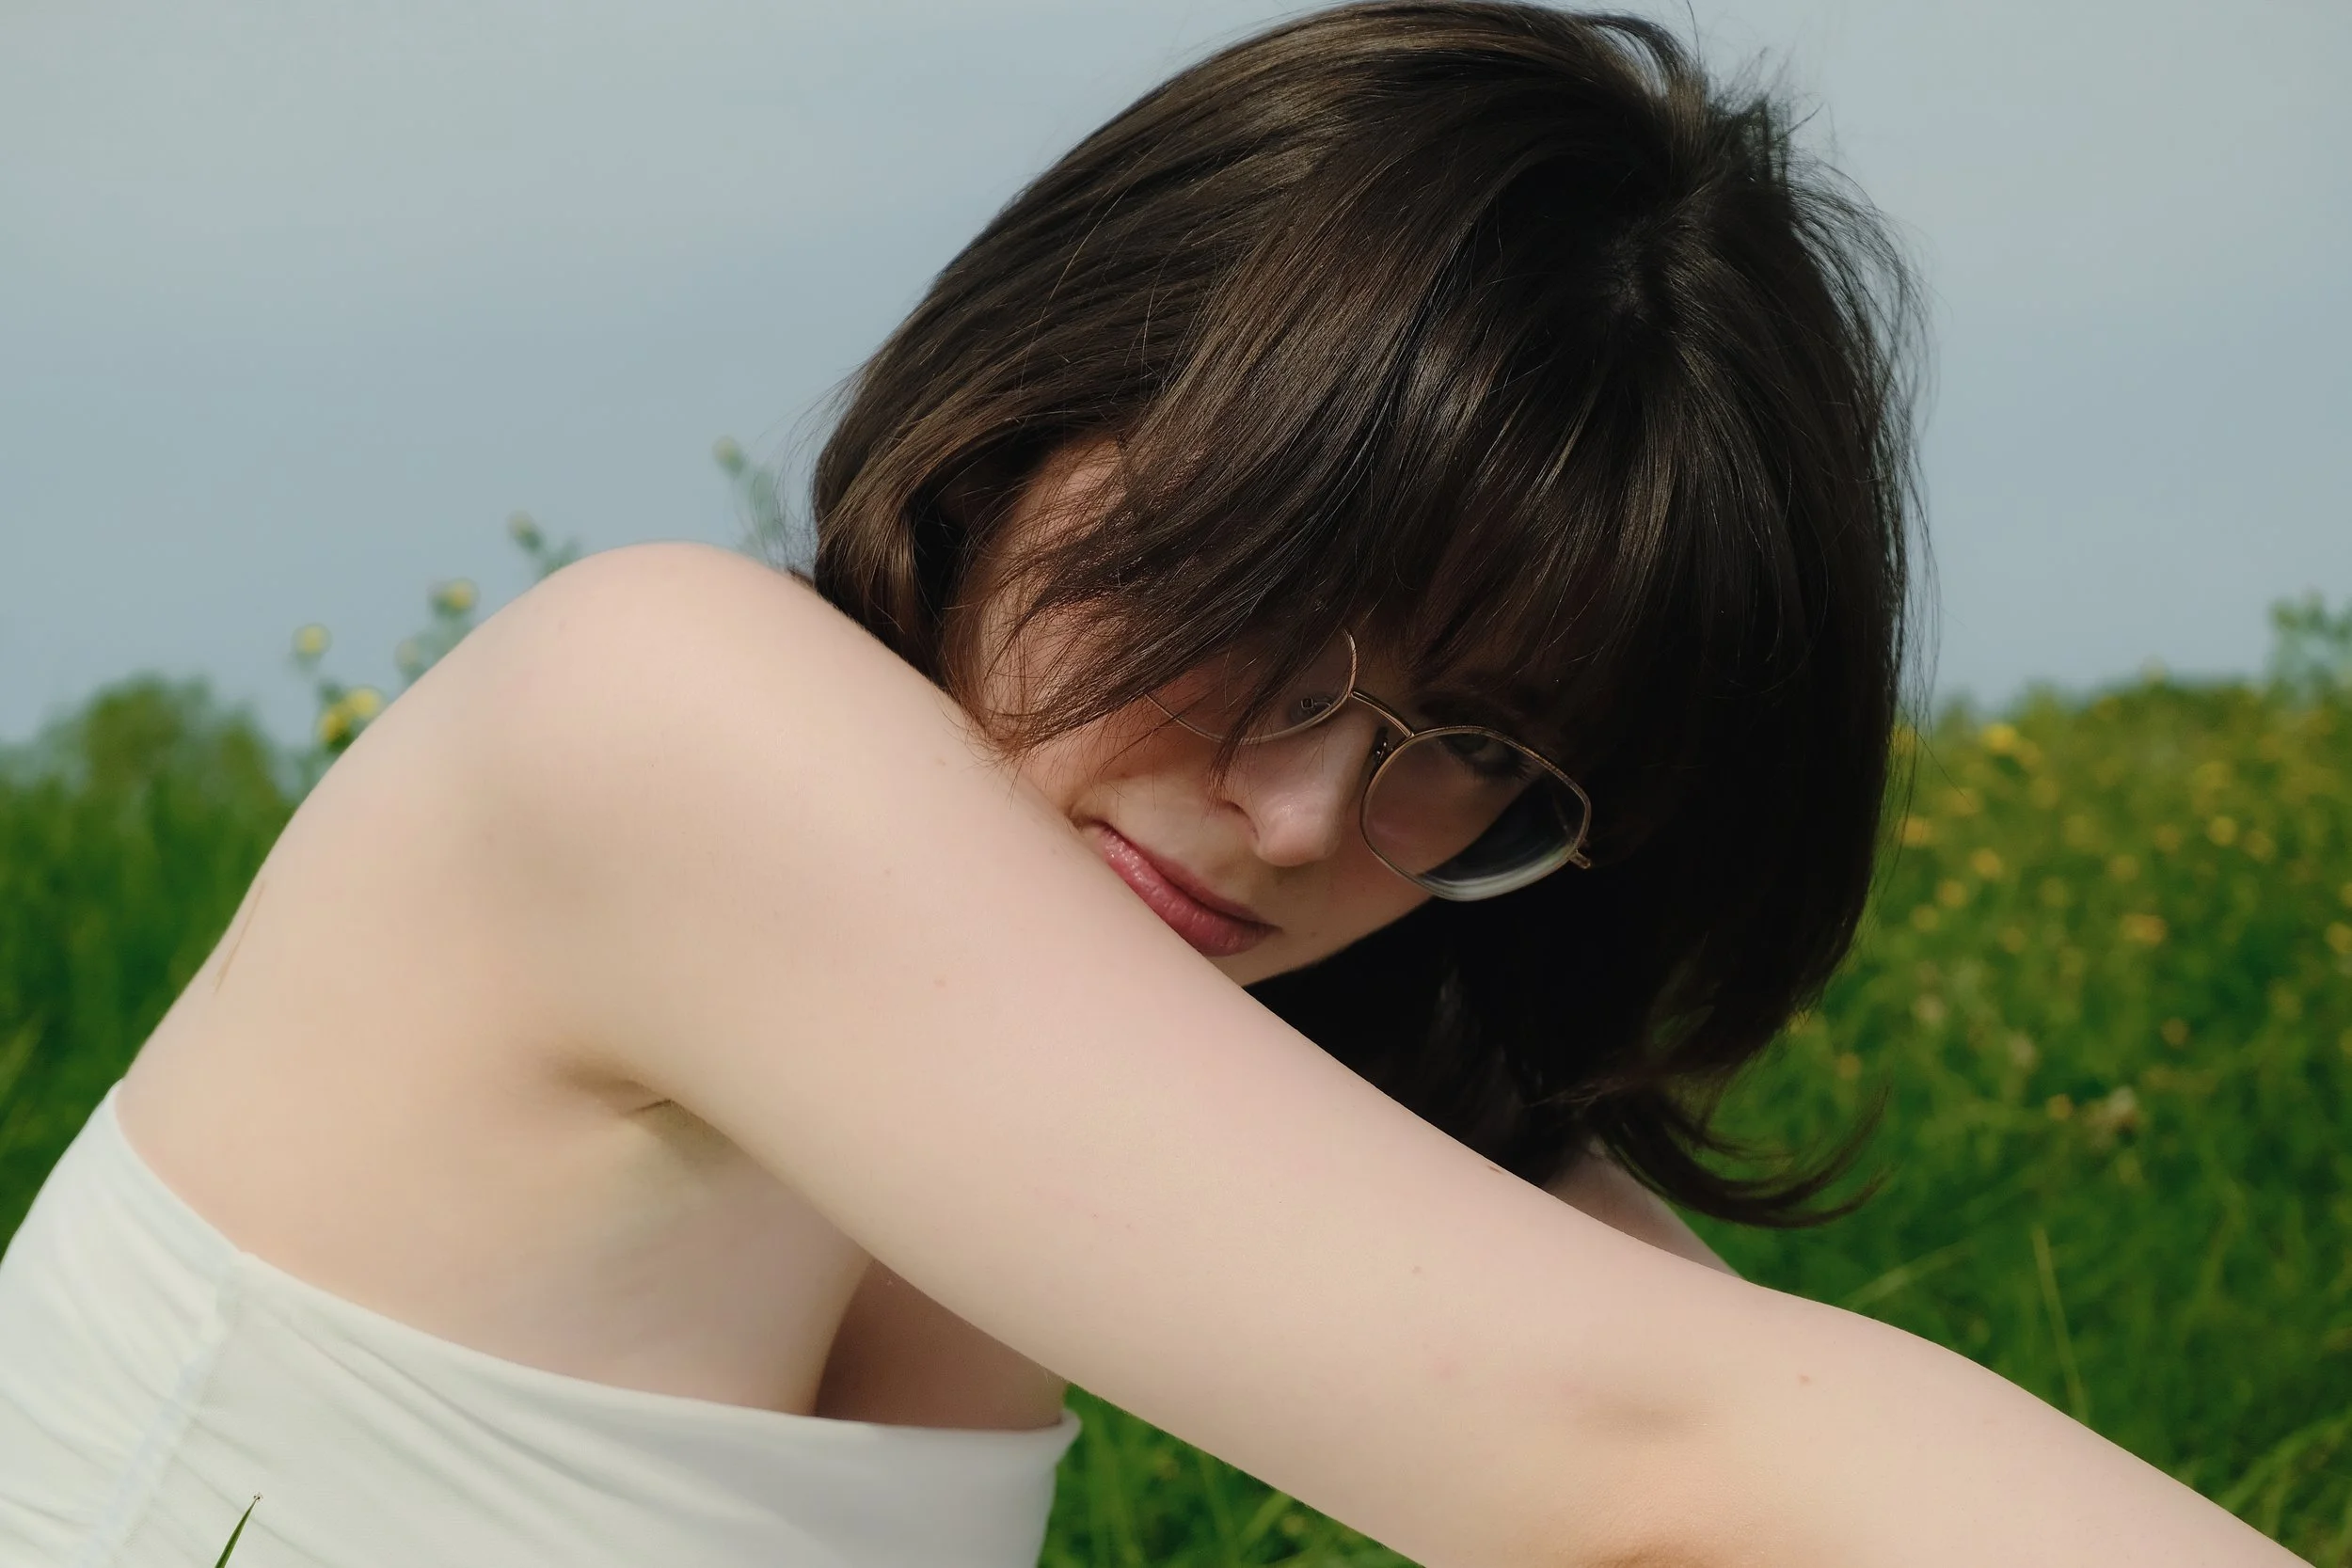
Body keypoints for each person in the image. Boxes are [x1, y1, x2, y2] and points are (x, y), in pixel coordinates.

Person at [0, 5, 2299, 1566]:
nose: (1301, 817)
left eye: (1477, 758)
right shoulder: (656, 713)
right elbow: (1634, 1451)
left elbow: (1759, 1414)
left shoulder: (1214, 998)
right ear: (1026, 411)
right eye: (1263, 615)